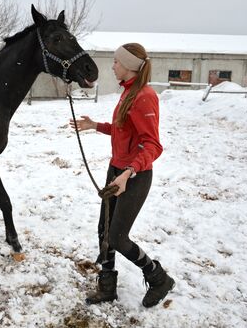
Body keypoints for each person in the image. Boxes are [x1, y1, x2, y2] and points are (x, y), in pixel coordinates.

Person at [69, 43, 175, 308]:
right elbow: (123, 130)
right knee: (104, 229)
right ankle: (107, 287)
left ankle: (158, 277)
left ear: (129, 65)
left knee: (117, 236)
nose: (113, 65)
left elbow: (152, 144)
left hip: (134, 176)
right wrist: (96, 126)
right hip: (116, 171)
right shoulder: (128, 93)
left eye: (116, 62)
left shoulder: (145, 96)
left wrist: (129, 172)